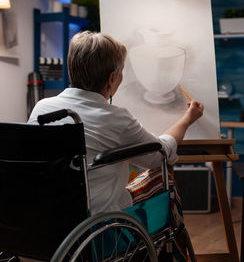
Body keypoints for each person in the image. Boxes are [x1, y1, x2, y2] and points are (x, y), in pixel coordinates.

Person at [28, 31, 204, 217]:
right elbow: (158, 156)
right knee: (162, 177)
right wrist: (188, 119)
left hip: (45, 218)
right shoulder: (114, 117)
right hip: (96, 222)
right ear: (112, 78)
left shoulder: (42, 109)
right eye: (121, 73)